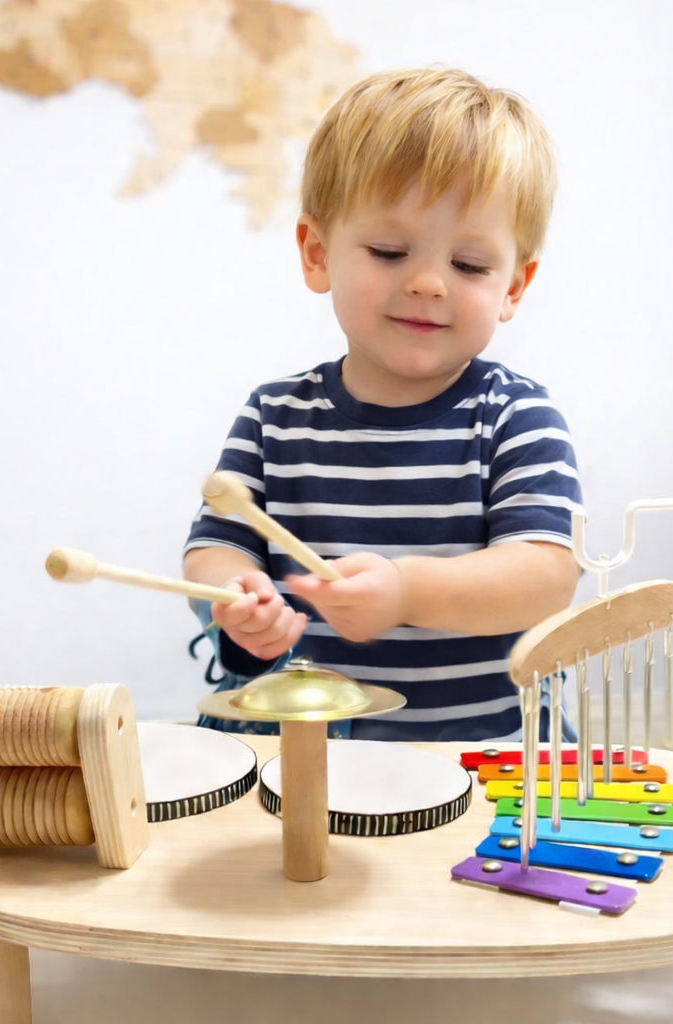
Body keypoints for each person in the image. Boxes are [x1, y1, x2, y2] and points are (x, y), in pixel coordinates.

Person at [183, 67, 583, 742]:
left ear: (515, 285)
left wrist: (408, 593)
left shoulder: (516, 417)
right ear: (317, 254)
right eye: (390, 251)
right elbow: (214, 550)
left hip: (480, 767)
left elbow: (545, 576)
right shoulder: (273, 416)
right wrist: (237, 598)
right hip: (304, 768)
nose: (428, 283)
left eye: (470, 266)